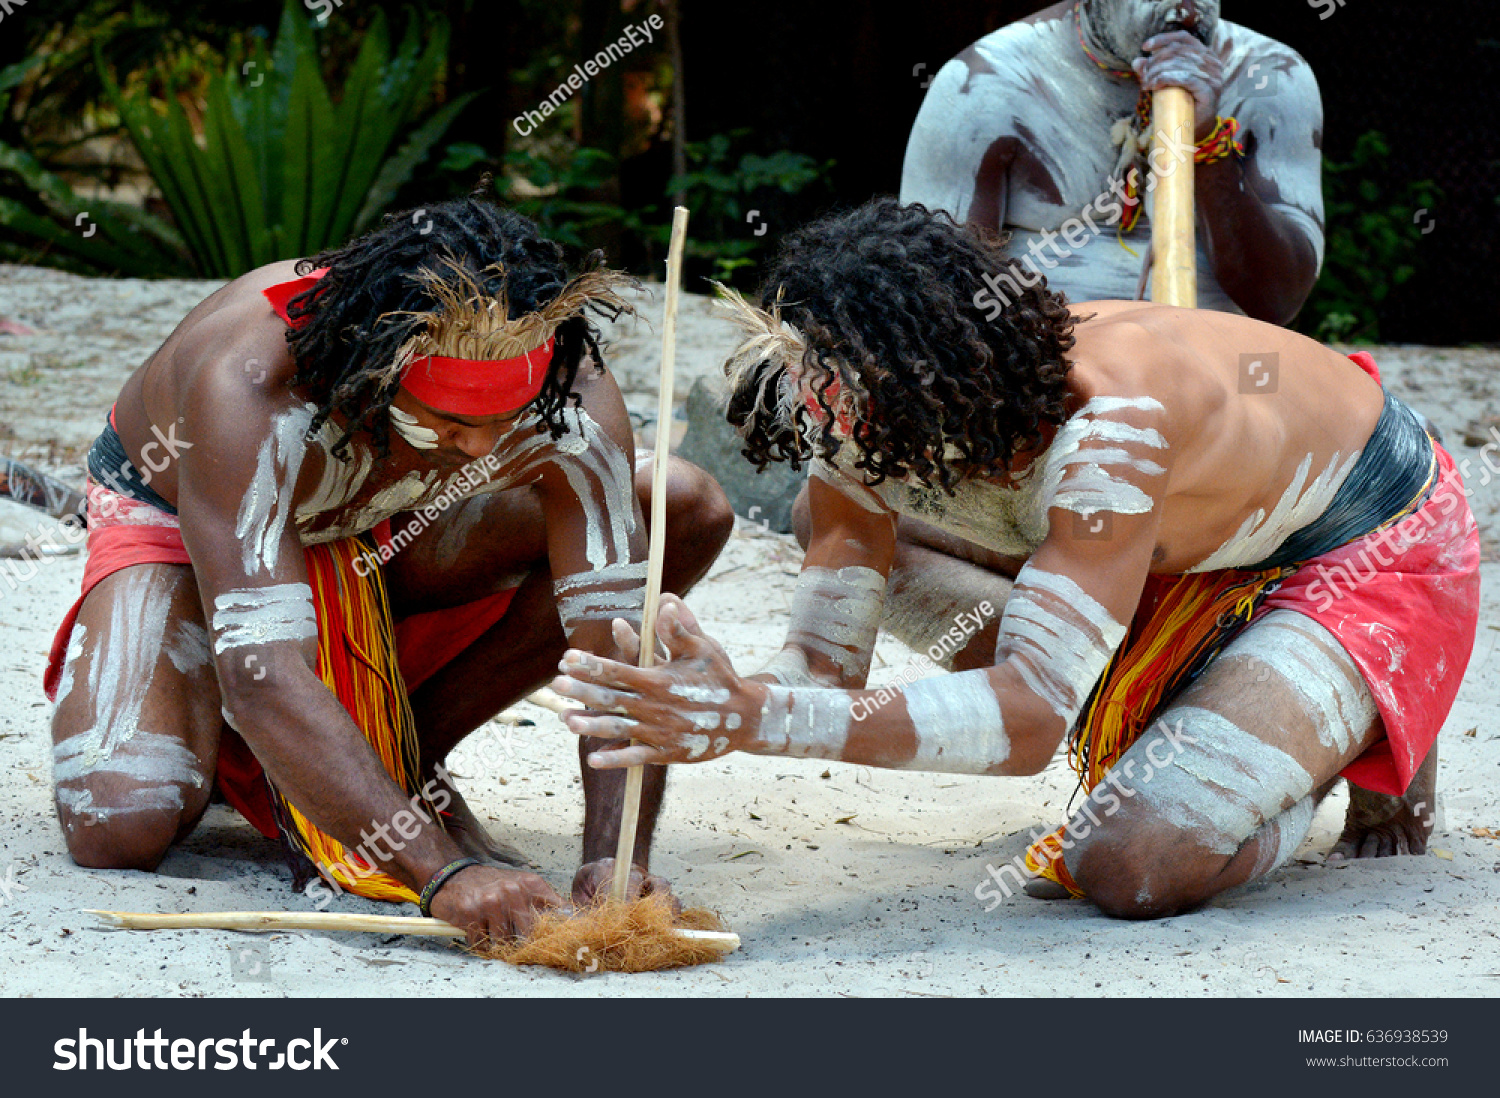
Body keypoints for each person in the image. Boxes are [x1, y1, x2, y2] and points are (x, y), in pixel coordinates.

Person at [552, 198, 1479, 919]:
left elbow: (1030, 723)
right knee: (825, 514)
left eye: (850, 410)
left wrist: (753, 718)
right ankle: (1212, 710)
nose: (828, 434)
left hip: (1359, 544)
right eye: (814, 400)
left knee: (1129, 863)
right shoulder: (856, 412)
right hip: (1172, 551)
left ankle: (1346, 724)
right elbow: (823, 672)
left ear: (937, 384)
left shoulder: (1115, 425)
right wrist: (715, 693)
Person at [45, 182, 733, 944]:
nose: (479, 448)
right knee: (120, 817)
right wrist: (442, 874)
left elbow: (612, 647)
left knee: (676, 504)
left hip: (390, 520)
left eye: (501, 423)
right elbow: (262, 671)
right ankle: (252, 739)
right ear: (378, 370)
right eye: (446, 422)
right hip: (190, 519)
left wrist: (616, 862)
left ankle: (406, 750)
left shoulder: (565, 386)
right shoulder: (253, 381)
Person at [901, 0, 1323, 324]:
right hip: (1043, 383)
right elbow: (940, 309)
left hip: (1216, 384)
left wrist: (1207, 142)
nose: (1186, 6)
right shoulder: (985, 83)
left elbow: (1278, 302)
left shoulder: (1271, 77)